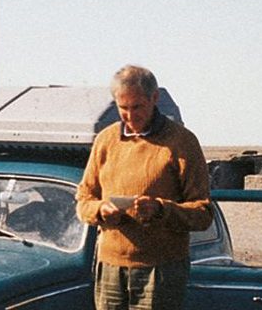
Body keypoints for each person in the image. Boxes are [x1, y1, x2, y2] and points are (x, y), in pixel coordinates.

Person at [76, 65, 212, 310]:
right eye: (123, 108)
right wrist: (101, 210)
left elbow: (203, 213)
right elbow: (84, 200)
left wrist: (160, 209)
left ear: (154, 98)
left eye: (137, 107)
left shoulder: (182, 142)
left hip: (160, 271)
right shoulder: (105, 140)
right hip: (110, 268)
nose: (130, 116)